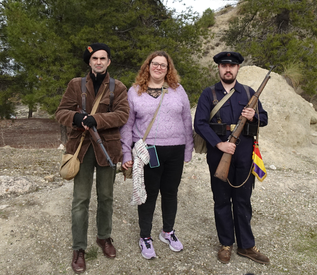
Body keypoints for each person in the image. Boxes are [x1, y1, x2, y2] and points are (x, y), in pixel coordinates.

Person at [55, 43, 129, 273]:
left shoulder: (118, 87)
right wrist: (77, 117)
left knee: (106, 197)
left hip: (107, 149)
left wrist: (96, 119)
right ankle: (79, 248)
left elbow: (123, 114)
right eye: (94, 58)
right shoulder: (75, 84)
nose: (98, 61)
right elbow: (61, 112)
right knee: (80, 200)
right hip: (81, 149)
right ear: (89, 61)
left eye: (103, 58)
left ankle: (104, 238)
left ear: (109, 62)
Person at [194, 51, 270, 265]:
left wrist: (253, 116)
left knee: (243, 200)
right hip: (219, 152)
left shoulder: (248, 92)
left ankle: (246, 245)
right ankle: (226, 243)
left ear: (237, 69)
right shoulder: (208, 94)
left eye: (232, 66)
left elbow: (264, 119)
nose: (228, 69)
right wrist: (219, 144)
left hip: (245, 152)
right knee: (221, 200)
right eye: (224, 65)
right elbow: (199, 123)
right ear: (218, 68)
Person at [120, 51, 193, 259]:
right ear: (148, 66)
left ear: (169, 69)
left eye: (164, 65)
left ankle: (168, 232)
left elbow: (187, 120)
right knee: (148, 194)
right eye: (155, 64)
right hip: (148, 152)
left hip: (175, 150)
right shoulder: (134, 92)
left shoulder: (178, 90)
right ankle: (145, 236)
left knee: (170, 192)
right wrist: (126, 152)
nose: (159, 68)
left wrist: (188, 148)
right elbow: (127, 125)